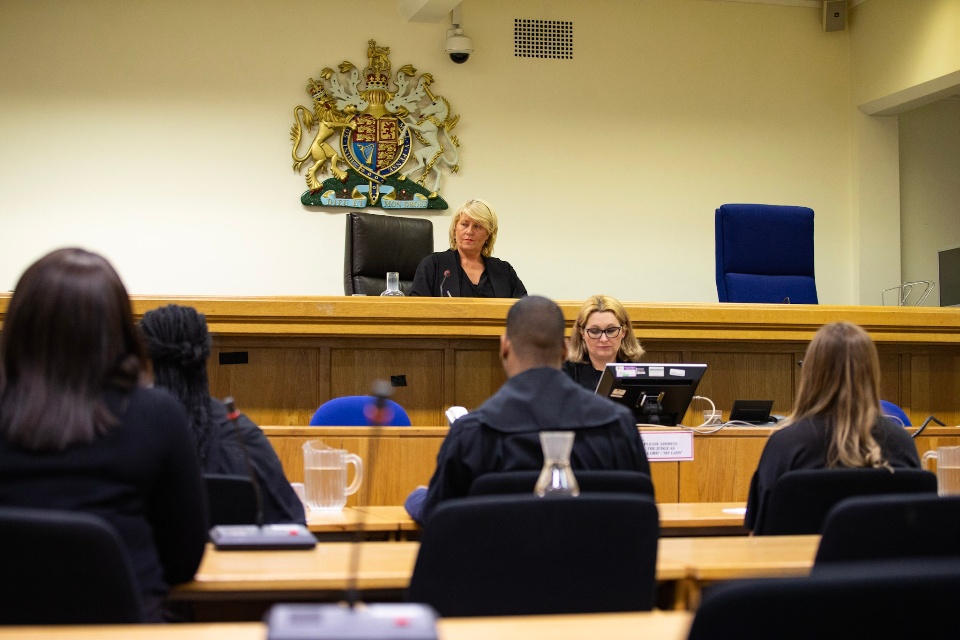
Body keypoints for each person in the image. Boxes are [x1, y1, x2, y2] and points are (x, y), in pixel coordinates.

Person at [0, 248, 208, 622]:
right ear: (118, 329)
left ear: (18, 325)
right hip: (128, 626)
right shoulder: (157, 414)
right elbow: (183, 561)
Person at [404, 295, 651, 524]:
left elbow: (440, 516)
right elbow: (641, 510)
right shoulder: (619, 424)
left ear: (504, 347)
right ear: (564, 350)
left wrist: (416, 498)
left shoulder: (471, 432)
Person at [744, 321, 921, 532]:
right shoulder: (902, 444)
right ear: (872, 373)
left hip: (803, 554)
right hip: (885, 555)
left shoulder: (784, 446)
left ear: (810, 373)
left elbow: (759, 531)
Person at [139, 304, 305, 526]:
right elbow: (292, 524)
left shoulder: (124, 432)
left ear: (144, 364)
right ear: (203, 357)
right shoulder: (242, 436)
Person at [409, 199, 527, 298]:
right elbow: (415, 310)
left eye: (477, 226)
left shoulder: (504, 271)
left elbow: (524, 310)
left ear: (488, 234)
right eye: (464, 224)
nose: (469, 231)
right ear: (454, 229)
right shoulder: (433, 266)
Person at [563, 294, 645, 391]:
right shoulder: (564, 374)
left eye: (611, 330)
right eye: (594, 331)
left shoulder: (639, 374)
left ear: (624, 332)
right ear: (582, 333)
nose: (603, 339)